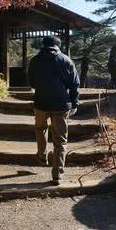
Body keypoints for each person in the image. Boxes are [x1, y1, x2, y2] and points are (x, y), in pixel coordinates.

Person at [28, 36, 80, 185]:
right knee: (60, 140)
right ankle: (57, 175)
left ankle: (42, 155)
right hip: (61, 104)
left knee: (40, 129)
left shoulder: (34, 60)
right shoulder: (66, 60)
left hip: (40, 103)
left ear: (43, 45)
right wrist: (74, 103)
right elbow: (75, 84)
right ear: (58, 45)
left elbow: (31, 83)